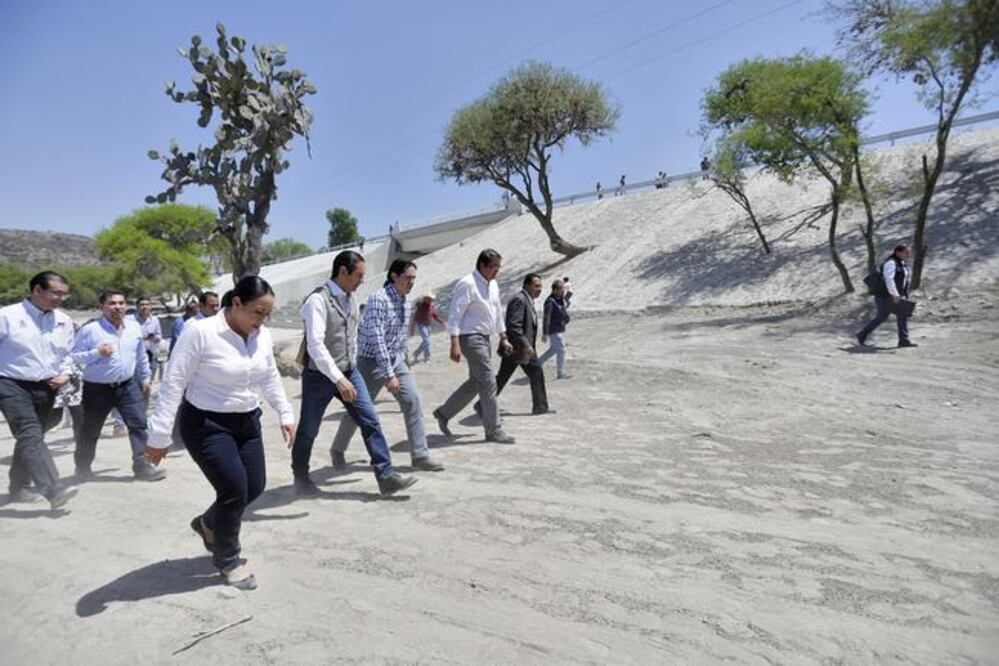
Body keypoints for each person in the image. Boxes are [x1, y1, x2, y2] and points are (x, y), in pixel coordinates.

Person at [144, 276, 295, 590]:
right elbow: (173, 383)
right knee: (233, 490)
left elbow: (269, 375)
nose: (262, 320)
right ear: (236, 303)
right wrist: (159, 437)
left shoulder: (261, 335)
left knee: (254, 486)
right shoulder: (201, 333)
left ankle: (208, 524)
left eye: (267, 314)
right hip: (207, 424)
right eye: (258, 312)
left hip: (247, 421)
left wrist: (285, 412)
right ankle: (228, 559)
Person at [291, 250, 417, 497]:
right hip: (319, 377)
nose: (362, 280)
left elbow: (353, 336)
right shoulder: (317, 301)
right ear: (342, 272)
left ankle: (386, 476)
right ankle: (301, 477)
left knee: (370, 420)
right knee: (308, 429)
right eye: (358, 275)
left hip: (349, 372)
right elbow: (315, 346)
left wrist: (350, 369)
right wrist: (338, 379)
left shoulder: (351, 298)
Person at [329, 260, 445, 474]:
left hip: (396, 360)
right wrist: (389, 374)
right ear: (394, 276)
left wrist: (402, 364)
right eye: (408, 277)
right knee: (358, 408)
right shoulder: (378, 300)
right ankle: (337, 449)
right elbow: (378, 339)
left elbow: (400, 339)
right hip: (370, 361)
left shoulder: (407, 303)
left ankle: (420, 455)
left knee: (413, 401)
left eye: (414, 278)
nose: (411, 282)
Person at [0, 271, 78, 508]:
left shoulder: (63, 320)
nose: (60, 299)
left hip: (47, 386)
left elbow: (67, 353)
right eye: (55, 293)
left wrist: (66, 373)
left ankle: (19, 487)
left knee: (32, 437)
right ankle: (53, 489)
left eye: (64, 294)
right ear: (37, 290)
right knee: (29, 433)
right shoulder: (7, 316)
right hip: (10, 383)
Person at [72, 291, 164, 481]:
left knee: (139, 425)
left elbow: (140, 356)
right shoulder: (90, 330)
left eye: (121, 303)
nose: (118, 307)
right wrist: (96, 353)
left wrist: (146, 378)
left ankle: (142, 467)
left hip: (128, 385)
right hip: (97, 389)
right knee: (90, 429)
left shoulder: (133, 327)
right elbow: (72, 356)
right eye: (112, 303)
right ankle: (83, 468)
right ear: (102, 307)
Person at [432, 249, 516, 444]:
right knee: (488, 380)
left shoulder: (493, 284)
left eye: (498, 267)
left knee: (476, 382)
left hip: (485, 338)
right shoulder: (467, 283)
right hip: (469, 337)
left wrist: (503, 337)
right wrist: (454, 343)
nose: (497, 271)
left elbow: (497, 311)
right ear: (482, 266)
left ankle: (444, 413)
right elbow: (455, 314)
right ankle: (493, 429)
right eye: (494, 267)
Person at [475, 273, 552, 417]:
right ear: (527, 285)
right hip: (519, 348)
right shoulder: (519, 300)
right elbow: (514, 326)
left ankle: (482, 405)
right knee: (535, 373)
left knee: (503, 377)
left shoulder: (526, 300)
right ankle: (540, 407)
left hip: (518, 348)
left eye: (540, 286)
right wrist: (526, 345)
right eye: (536, 286)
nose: (539, 289)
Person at [857, 244, 917, 348]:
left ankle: (904, 340)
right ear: (898, 253)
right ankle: (862, 334)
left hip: (896, 294)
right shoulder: (891, 263)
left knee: (902, 315)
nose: (908, 254)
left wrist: (901, 294)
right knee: (882, 316)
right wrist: (895, 294)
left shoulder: (901, 263)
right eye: (905, 252)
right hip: (884, 295)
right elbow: (889, 279)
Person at [538, 279, 571, 379]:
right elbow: (546, 317)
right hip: (553, 330)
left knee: (553, 349)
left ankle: (536, 364)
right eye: (562, 289)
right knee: (561, 350)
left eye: (564, 289)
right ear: (555, 290)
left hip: (558, 328)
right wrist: (545, 333)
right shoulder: (550, 301)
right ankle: (561, 373)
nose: (563, 291)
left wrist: (566, 318)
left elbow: (563, 311)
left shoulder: (559, 299)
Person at [412, 293, 445, 363]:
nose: (430, 300)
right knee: (426, 341)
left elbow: (435, 316)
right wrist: (412, 327)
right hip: (421, 325)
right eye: (428, 299)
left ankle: (416, 353)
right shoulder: (420, 306)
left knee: (425, 341)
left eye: (431, 299)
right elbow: (415, 317)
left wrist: (442, 322)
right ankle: (427, 358)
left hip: (428, 326)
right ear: (425, 299)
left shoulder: (431, 307)